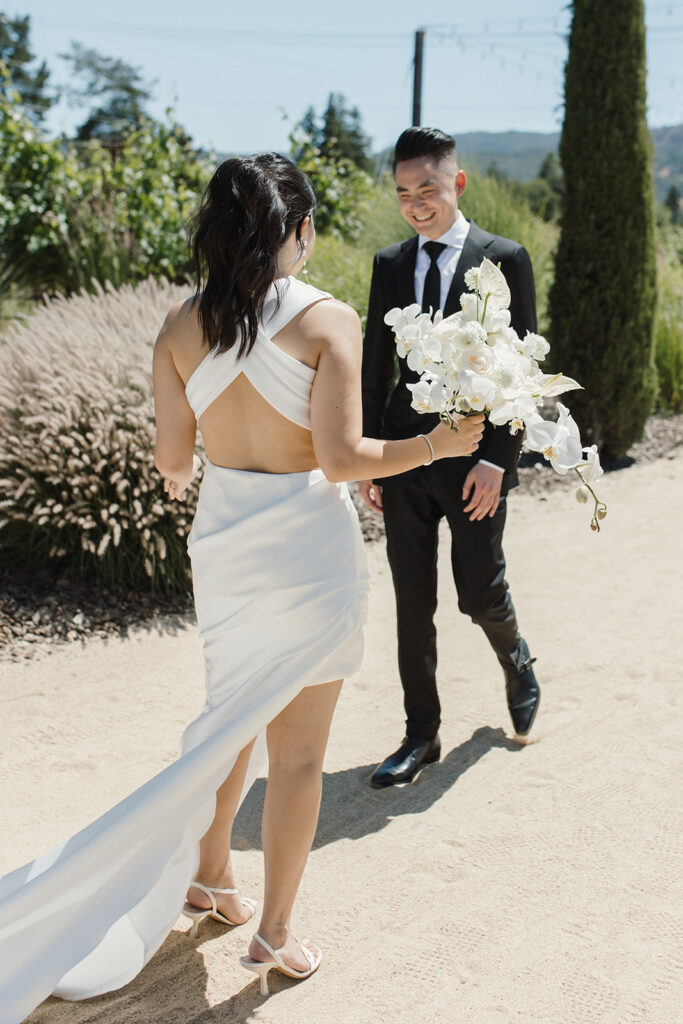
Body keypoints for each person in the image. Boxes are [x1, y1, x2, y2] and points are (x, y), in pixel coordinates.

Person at [0, 153, 485, 1022]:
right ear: (298, 231)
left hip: (225, 547)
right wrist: (438, 446)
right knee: (296, 757)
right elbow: (340, 459)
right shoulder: (326, 321)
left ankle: (212, 876)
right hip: (305, 547)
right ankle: (273, 931)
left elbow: (174, 462)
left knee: (229, 725)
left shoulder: (179, 328)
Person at [359, 127, 541, 790]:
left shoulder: (504, 259)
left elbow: (518, 370)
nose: (415, 203)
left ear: (455, 184)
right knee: (411, 601)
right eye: (404, 191)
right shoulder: (387, 264)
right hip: (405, 458)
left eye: (427, 188)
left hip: (472, 465)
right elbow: (374, 369)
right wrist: (370, 458)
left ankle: (515, 659)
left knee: (478, 592)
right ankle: (419, 735)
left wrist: (497, 460)